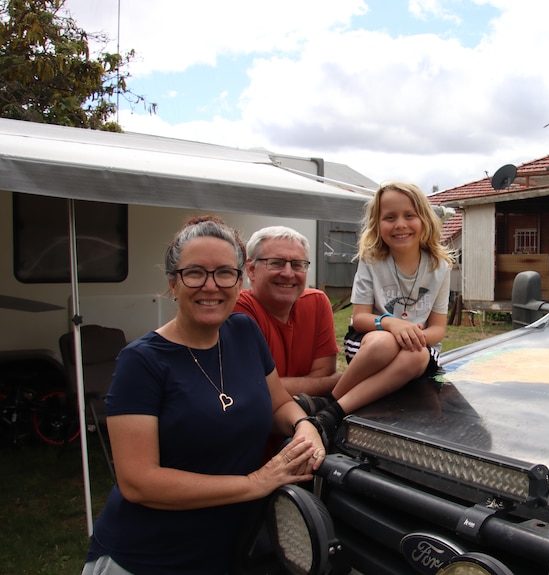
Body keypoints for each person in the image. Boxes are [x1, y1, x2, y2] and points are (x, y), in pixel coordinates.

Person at [81, 216, 325, 575]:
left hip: (228, 551)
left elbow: (278, 404)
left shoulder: (244, 331)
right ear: (172, 283)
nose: (210, 286)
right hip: (148, 557)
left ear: (240, 280)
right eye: (194, 273)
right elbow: (138, 482)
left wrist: (304, 425)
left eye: (224, 273)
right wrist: (254, 484)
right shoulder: (142, 361)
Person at [304, 182, 453, 445]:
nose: (400, 224)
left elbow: (438, 329)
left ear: (425, 219)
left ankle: (331, 408)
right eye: (390, 217)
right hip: (369, 344)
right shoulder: (372, 260)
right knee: (386, 341)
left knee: (417, 357)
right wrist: (390, 324)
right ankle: (335, 404)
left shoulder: (440, 267)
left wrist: (411, 336)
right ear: (377, 223)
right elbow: (360, 319)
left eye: (409, 215)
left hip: (416, 350)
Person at [234, 226, 340, 400]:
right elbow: (250, 388)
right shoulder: (239, 309)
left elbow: (325, 371)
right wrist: (332, 382)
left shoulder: (317, 303)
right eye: (276, 263)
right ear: (251, 270)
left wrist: (276, 385)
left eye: (298, 265)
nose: (288, 273)